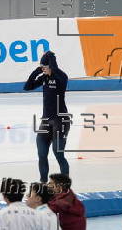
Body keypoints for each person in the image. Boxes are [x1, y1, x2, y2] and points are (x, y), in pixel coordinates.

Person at [24, 51, 70, 182]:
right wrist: (36, 71)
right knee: (42, 154)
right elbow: (27, 87)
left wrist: (50, 57)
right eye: (41, 67)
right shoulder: (44, 78)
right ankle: (43, 185)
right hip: (46, 121)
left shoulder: (61, 77)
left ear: (51, 65)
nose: (42, 69)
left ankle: (64, 187)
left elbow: (54, 68)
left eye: (44, 66)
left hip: (61, 120)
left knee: (58, 154)